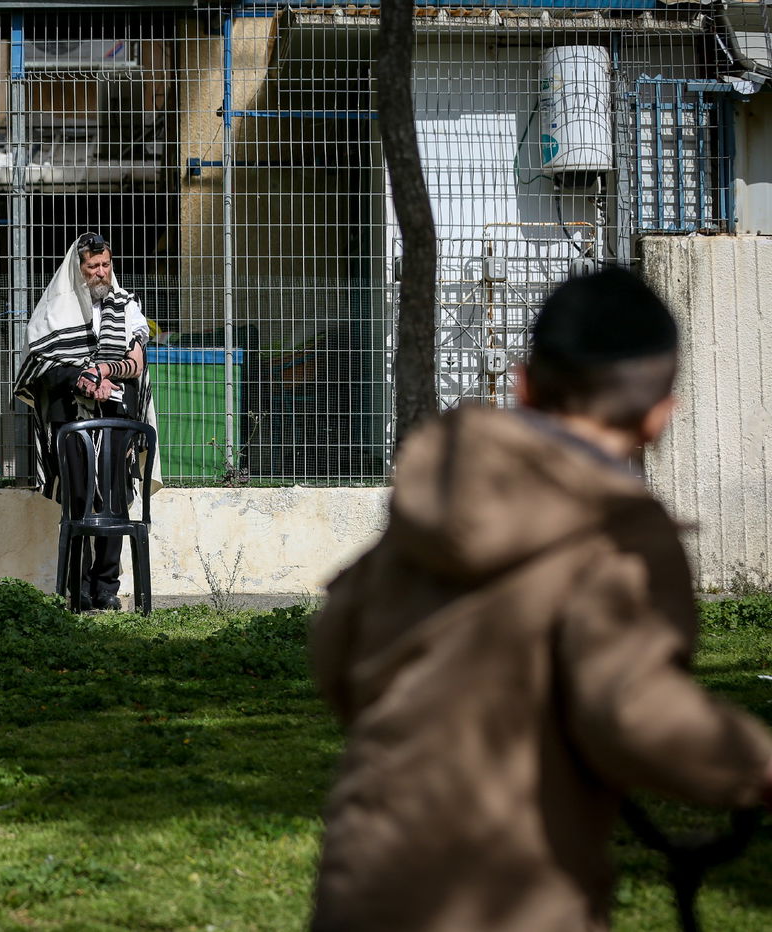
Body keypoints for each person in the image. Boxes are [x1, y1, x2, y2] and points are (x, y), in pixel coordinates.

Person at [309, 267, 772, 931]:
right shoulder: (621, 534)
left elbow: (334, 650)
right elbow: (630, 708)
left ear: (524, 385)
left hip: (367, 878)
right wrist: (754, 763)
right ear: (659, 416)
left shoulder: (435, 493)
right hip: (515, 897)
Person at [14, 232, 160, 610]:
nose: (101, 273)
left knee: (113, 500)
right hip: (71, 421)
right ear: (77, 270)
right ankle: (77, 588)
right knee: (78, 502)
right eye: (93, 266)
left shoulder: (127, 306)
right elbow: (40, 366)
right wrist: (78, 377)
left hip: (116, 417)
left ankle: (106, 588)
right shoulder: (54, 310)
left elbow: (138, 361)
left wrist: (104, 370)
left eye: (106, 265)